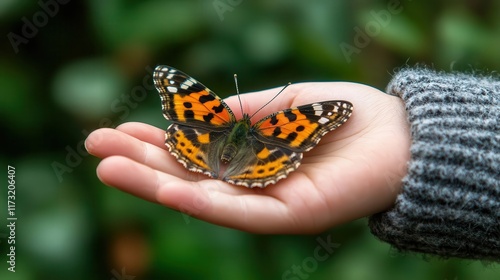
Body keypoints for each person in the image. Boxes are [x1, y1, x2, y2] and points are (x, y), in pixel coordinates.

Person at [85, 67, 499, 261]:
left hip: (202, 142)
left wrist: (402, 133)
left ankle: (212, 160)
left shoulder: (217, 112)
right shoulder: (278, 125)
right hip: (259, 155)